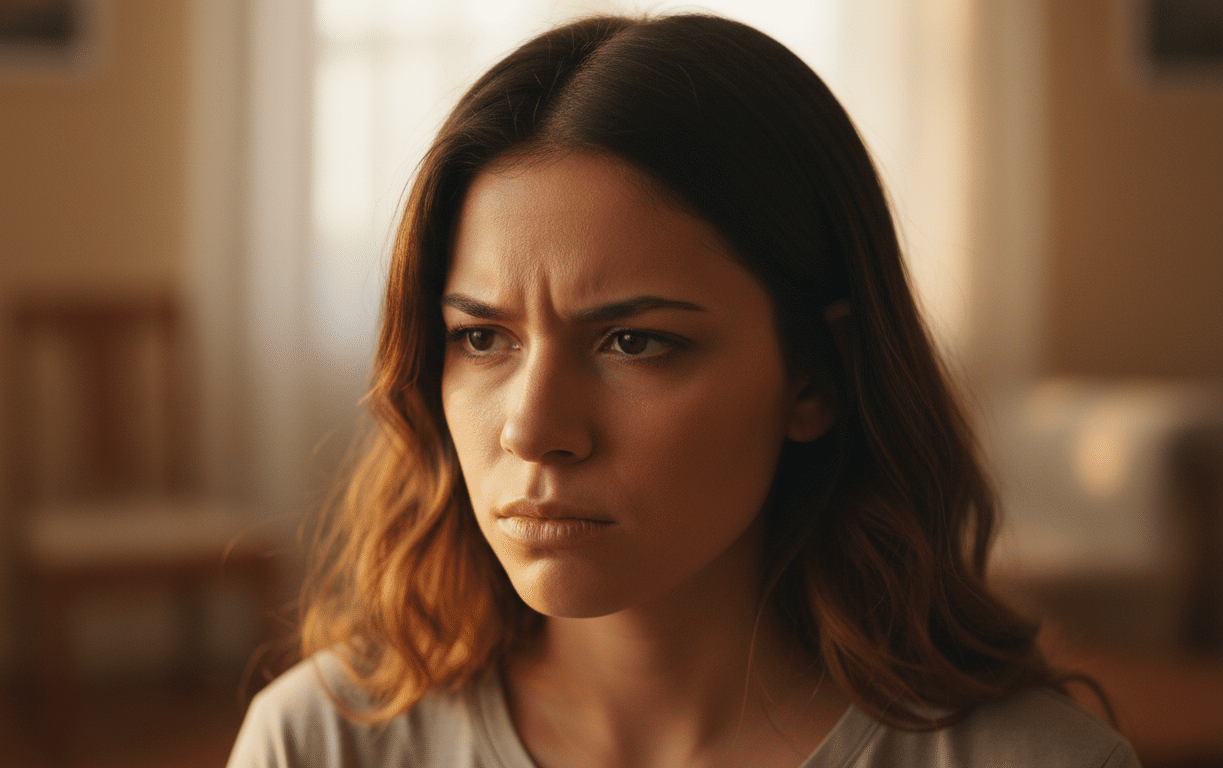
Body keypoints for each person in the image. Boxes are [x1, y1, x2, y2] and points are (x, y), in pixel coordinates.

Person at [228, 13, 1139, 768]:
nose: (535, 429)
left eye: (634, 342)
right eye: (481, 337)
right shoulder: (317, 744)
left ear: (815, 377)